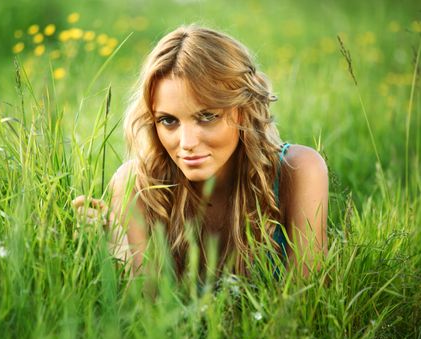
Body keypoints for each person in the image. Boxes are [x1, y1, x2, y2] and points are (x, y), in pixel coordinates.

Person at [72, 25, 328, 281]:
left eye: (207, 117)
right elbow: (143, 310)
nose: (186, 142)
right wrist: (112, 244)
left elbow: (307, 306)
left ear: (244, 109)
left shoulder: (298, 171)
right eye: (168, 121)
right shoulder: (137, 186)